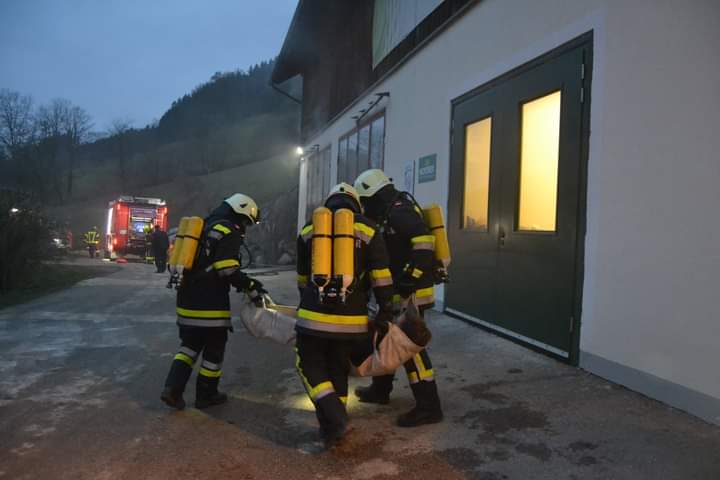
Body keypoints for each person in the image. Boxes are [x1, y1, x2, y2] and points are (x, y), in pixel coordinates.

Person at [295, 183, 395, 448]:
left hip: (313, 316)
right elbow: (381, 278)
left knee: (309, 365)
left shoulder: (308, 229)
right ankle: (332, 430)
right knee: (338, 367)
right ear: (356, 204)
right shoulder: (369, 229)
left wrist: (307, 302)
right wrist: (386, 311)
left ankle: (335, 418)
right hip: (351, 321)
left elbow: (303, 278)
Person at [353, 169, 443, 427]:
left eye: (365, 200)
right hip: (398, 290)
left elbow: (425, 243)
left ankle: (429, 406)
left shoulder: (400, 210)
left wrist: (409, 280)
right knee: (386, 336)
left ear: (374, 194)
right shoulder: (387, 211)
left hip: (412, 292)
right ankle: (380, 391)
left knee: (410, 346)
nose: (365, 206)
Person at [161, 194, 266, 410]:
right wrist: (251, 286)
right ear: (240, 212)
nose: (245, 226)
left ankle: (172, 389)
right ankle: (206, 395)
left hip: (186, 299)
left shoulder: (202, 227)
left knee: (189, 347)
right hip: (210, 304)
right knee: (214, 352)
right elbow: (226, 268)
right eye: (246, 221)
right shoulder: (229, 231)